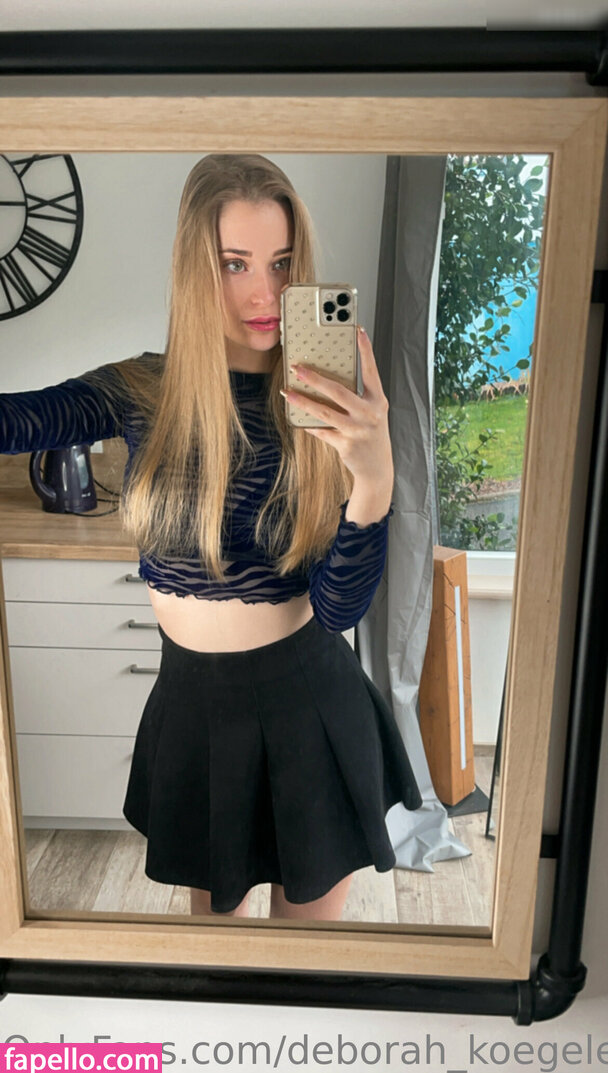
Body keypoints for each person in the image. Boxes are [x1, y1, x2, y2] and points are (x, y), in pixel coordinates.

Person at [0, 154, 422, 922]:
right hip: (192, 708)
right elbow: (15, 422)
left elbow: (338, 611)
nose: (265, 293)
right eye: (235, 263)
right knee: (215, 954)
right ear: (196, 269)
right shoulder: (140, 390)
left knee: (301, 964)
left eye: (283, 263)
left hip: (309, 708)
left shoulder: (323, 406)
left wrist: (373, 481)